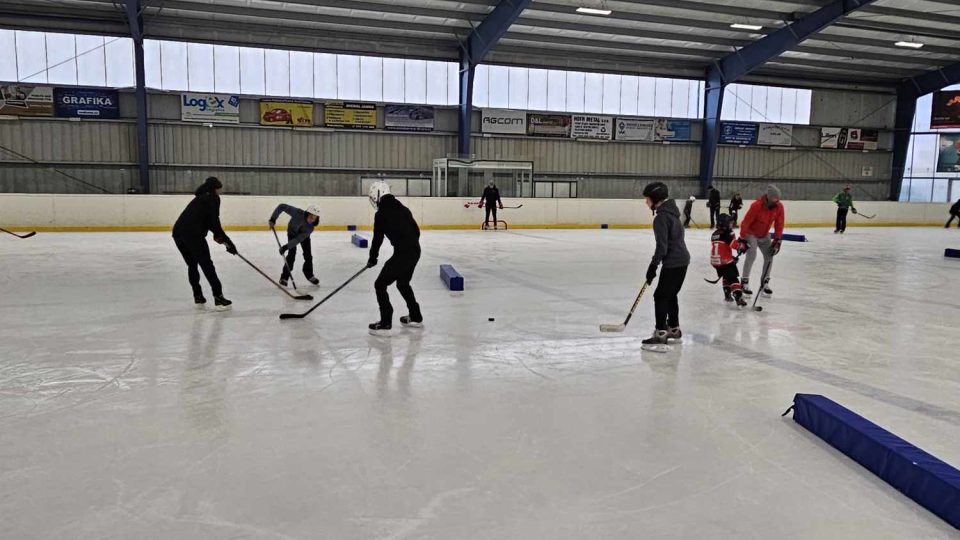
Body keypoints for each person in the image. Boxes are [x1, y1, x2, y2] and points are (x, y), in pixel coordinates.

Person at [367, 183, 423, 336]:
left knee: (380, 284)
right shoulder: (403, 209)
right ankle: (415, 315)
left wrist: (373, 258)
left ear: (378, 196)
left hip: (403, 253)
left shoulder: (381, 214)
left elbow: (377, 239)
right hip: (415, 251)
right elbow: (416, 231)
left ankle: (385, 320)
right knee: (403, 283)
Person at [172, 176, 236, 308]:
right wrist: (228, 243)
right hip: (193, 235)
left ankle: (198, 296)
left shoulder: (199, 198)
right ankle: (218, 296)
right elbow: (214, 223)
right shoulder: (213, 198)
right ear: (215, 188)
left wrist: (223, 240)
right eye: (219, 189)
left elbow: (207, 222)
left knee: (192, 265)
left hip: (178, 233)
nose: (220, 192)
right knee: (207, 264)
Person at [640, 182, 690, 347]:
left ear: (655, 199)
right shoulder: (673, 214)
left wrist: (653, 266)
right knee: (670, 295)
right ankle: (674, 329)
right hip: (682, 261)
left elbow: (662, 246)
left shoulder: (661, 218)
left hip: (674, 262)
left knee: (660, 296)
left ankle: (661, 332)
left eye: (647, 199)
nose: (646, 203)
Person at [738, 184, 784, 296]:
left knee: (770, 255)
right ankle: (744, 281)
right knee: (752, 254)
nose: (775, 201)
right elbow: (745, 222)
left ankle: (765, 282)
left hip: (764, 235)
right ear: (768, 197)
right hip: (751, 233)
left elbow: (779, 224)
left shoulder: (779, 207)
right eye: (774, 199)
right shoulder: (756, 206)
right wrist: (742, 238)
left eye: (777, 199)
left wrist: (777, 240)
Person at [268, 203, 320, 286]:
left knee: (308, 255)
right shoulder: (298, 213)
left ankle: (309, 274)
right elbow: (282, 206)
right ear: (307, 214)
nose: (312, 220)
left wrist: (286, 247)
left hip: (303, 236)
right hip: (292, 232)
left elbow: (298, 239)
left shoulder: (310, 227)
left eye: (314, 218)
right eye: (311, 217)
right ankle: (284, 277)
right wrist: (273, 219)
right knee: (291, 254)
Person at [711, 214, 747, 307]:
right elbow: (734, 244)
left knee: (726, 276)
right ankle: (738, 296)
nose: (732, 224)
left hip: (715, 261)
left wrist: (731, 257)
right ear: (724, 224)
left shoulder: (714, 234)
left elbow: (721, 248)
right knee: (733, 277)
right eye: (730, 223)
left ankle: (727, 294)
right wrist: (743, 246)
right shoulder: (728, 233)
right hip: (724, 260)